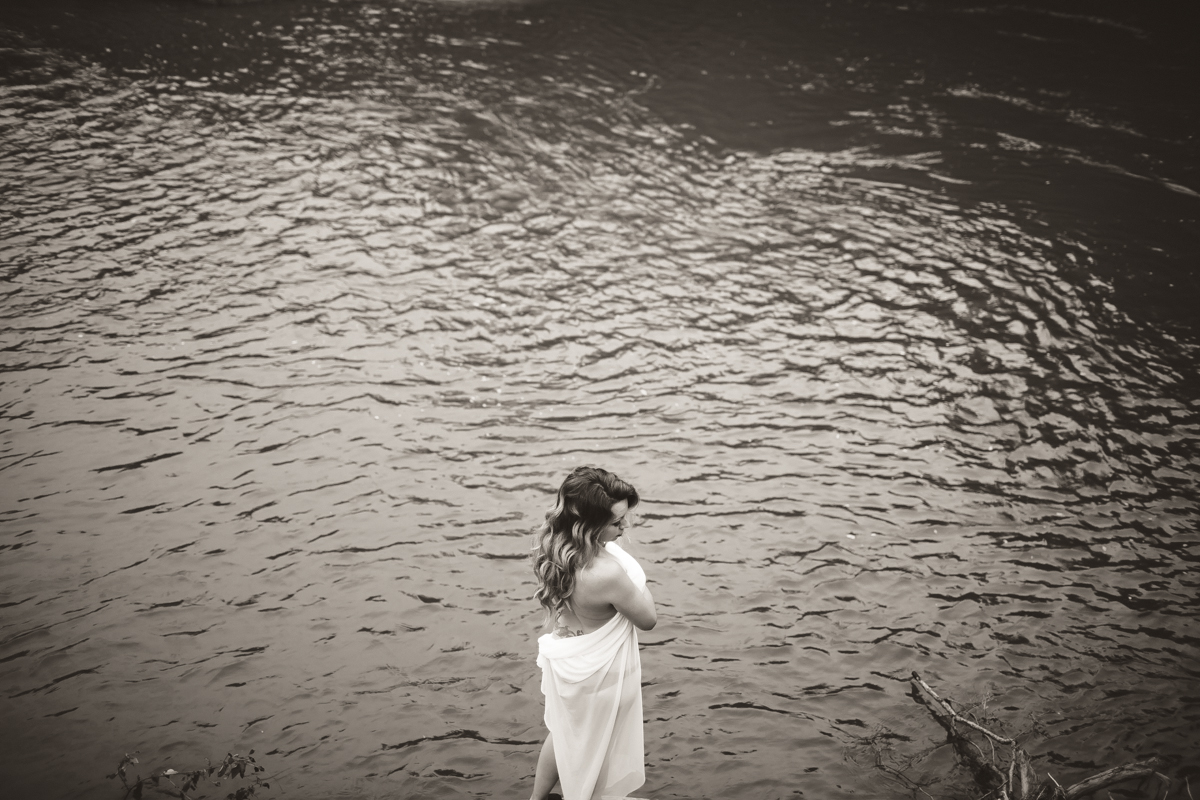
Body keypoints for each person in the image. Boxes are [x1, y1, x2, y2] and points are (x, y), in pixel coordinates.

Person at [529, 466, 657, 800]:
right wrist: (638, 578)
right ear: (589, 524)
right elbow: (648, 619)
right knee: (597, 753)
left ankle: (536, 798)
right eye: (616, 522)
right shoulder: (607, 573)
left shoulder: (555, 547)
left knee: (562, 732)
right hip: (602, 677)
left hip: (568, 661)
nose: (623, 526)